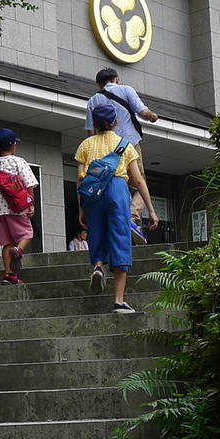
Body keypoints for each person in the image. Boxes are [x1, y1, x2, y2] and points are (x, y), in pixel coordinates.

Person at [76, 105, 159, 314]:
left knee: (96, 233)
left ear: (94, 125)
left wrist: (81, 207)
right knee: (120, 238)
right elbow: (138, 180)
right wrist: (150, 209)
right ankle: (119, 301)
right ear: (116, 123)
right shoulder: (125, 145)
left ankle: (97, 265)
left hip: (93, 193)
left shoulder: (85, 145)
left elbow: (80, 179)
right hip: (117, 188)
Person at [85, 67, 160, 244]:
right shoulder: (126, 90)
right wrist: (154, 116)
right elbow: (144, 113)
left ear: (99, 85)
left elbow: (90, 131)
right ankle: (132, 219)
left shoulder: (93, 100)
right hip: (129, 145)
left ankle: (116, 222)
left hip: (105, 151)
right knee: (139, 183)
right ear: (117, 80)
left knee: (115, 184)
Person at [0, 127, 38, 285]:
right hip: (16, 208)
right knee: (26, 234)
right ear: (13, 146)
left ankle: (9, 275)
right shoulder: (19, 161)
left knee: (7, 243)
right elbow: (29, 183)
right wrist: (30, 203)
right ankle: (18, 251)